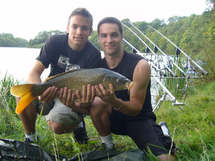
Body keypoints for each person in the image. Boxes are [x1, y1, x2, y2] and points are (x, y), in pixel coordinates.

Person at [90, 17, 176, 161]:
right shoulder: (96, 67)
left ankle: (163, 133)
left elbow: (136, 108)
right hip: (111, 118)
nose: (109, 40)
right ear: (98, 38)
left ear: (121, 36)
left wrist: (113, 101)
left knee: (166, 159)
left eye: (114, 35)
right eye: (104, 35)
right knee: (96, 104)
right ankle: (108, 147)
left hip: (138, 119)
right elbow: (88, 105)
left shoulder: (140, 65)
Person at [17, 8, 101, 144]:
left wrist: (78, 105)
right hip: (49, 89)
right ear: (67, 27)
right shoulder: (54, 42)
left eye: (84, 28)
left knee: (57, 126)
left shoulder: (94, 54)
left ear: (90, 32)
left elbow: (89, 95)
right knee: (22, 92)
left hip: (72, 97)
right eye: (75, 26)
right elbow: (34, 72)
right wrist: (40, 92)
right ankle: (30, 138)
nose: (79, 32)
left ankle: (78, 124)